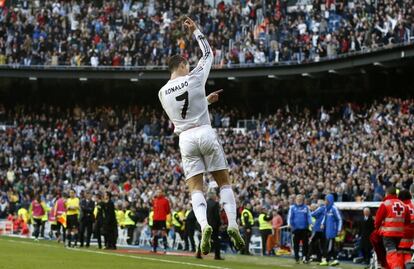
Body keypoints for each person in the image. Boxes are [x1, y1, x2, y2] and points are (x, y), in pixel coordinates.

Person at [158, 16, 244, 256]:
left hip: (185, 139)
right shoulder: (194, 77)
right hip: (205, 132)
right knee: (223, 182)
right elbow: (208, 54)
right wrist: (196, 31)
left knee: (196, 189)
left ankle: (205, 226)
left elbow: (181, 115)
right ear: (183, 65)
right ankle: (233, 225)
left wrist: (205, 101)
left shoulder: (162, 93)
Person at [375, 186, 410, 269]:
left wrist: (377, 229)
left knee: (391, 252)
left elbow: (377, 220)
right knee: (395, 252)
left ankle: (396, 267)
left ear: (387, 194)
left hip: (388, 234)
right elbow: (407, 221)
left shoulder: (385, 204)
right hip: (399, 234)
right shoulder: (404, 205)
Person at [288, 194, 312, 264]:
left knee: (305, 244)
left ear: (302, 200)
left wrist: (310, 223)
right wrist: (289, 223)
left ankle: (304, 257)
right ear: (296, 199)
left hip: (304, 229)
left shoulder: (306, 207)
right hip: (296, 229)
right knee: (296, 244)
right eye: (298, 199)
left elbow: (309, 216)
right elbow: (290, 216)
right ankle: (297, 257)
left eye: (300, 199)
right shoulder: (292, 207)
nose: (299, 200)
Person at [320, 194, 342, 266]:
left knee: (328, 245)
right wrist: (322, 223)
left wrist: (339, 229)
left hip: (332, 230)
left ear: (329, 200)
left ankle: (326, 260)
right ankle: (334, 259)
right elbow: (324, 217)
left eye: (326, 200)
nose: (325, 201)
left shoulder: (334, 208)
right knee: (330, 246)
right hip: (327, 230)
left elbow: (339, 219)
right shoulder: (327, 208)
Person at [397, 189, 414, 269]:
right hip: (410, 235)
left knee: (399, 255)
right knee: (407, 253)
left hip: (401, 234)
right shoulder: (412, 206)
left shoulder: (401, 206)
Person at [206, 191, 223, 260]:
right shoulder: (215, 204)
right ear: (212, 196)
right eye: (215, 195)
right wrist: (219, 224)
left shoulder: (205, 203)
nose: (216, 196)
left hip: (206, 223)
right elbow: (217, 216)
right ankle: (217, 255)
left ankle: (198, 253)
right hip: (214, 225)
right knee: (216, 240)